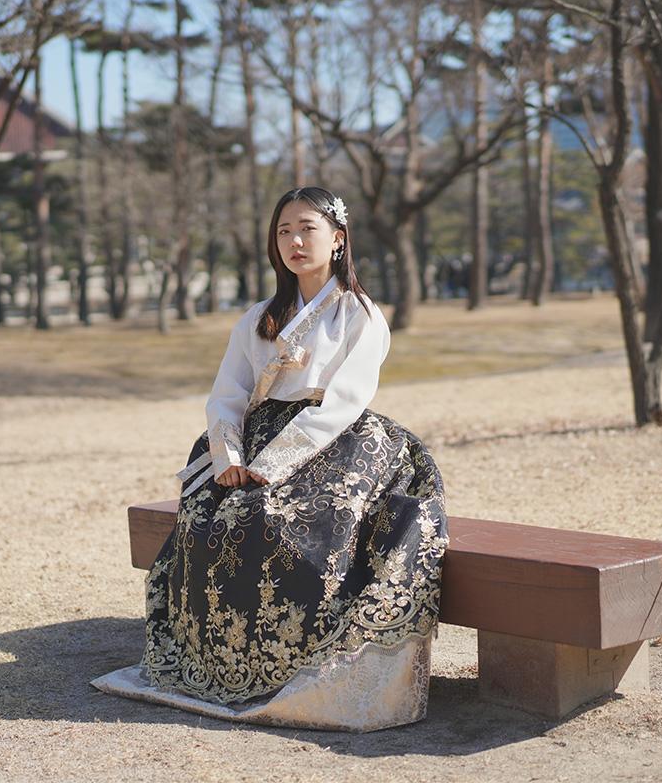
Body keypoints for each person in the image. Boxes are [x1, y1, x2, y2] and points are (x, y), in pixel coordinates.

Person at [92, 186, 448, 732]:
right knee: (204, 519)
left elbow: (347, 400)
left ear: (338, 239)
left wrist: (275, 463)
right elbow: (227, 395)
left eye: (307, 228)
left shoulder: (360, 314)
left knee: (277, 524)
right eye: (284, 231)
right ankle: (209, 664)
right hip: (251, 441)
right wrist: (228, 455)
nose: (295, 241)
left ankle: (294, 665)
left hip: (329, 442)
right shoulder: (258, 317)